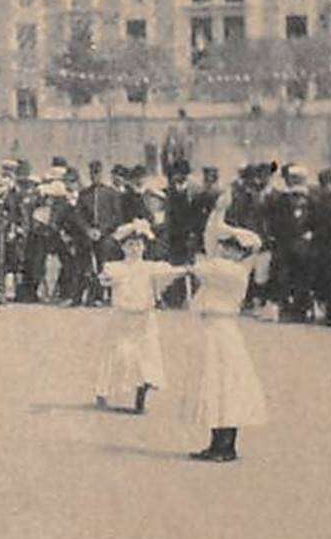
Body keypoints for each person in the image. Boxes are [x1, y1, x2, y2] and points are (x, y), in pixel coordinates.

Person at [182, 196, 268, 462]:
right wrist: (219, 211)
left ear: (242, 253)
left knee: (225, 385)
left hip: (222, 330)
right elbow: (211, 237)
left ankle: (226, 446)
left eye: (232, 248)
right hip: (213, 330)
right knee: (215, 385)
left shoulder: (233, 272)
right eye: (226, 246)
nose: (224, 250)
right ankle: (218, 443)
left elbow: (204, 265)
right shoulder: (224, 266)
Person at [94, 220, 186, 415]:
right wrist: (109, 279)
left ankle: (140, 394)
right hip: (122, 318)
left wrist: (188, 269)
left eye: (138, 244)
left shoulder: (151, 267)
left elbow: (170, 272)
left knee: (144, 357)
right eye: (130, 245)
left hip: (144, 319)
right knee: (118, 353)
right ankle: (105, 392)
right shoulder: (115, 267)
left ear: (144, 247)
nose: (134, 249)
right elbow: (104, 279)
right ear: (122, 247)